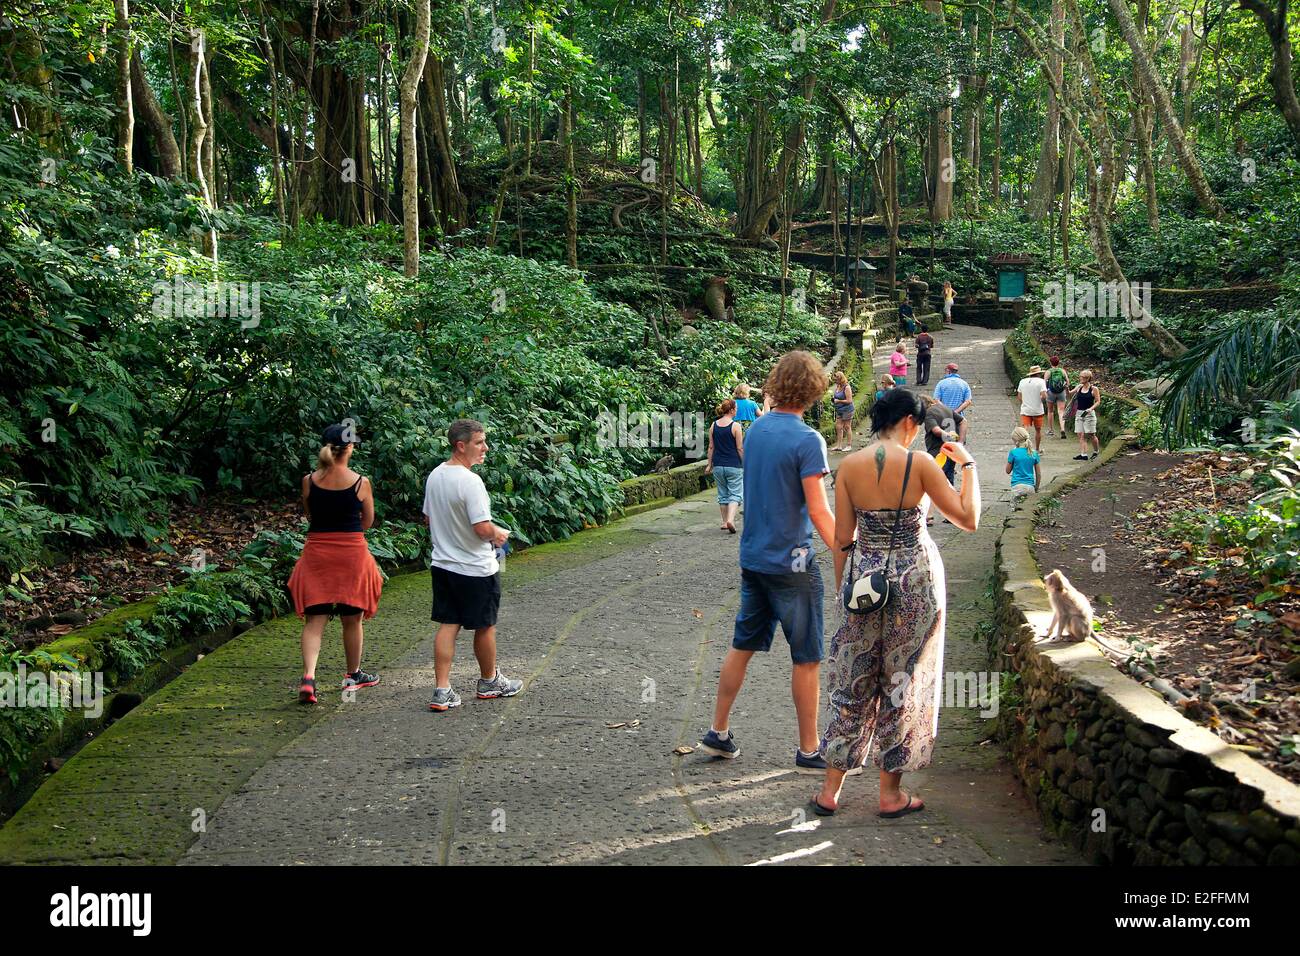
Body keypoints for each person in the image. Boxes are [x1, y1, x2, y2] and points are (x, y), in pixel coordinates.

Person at [812, 389, 980, 817]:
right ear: (909, 420)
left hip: (863, 581)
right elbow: (968, 519)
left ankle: (830, 790)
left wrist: (843, 593)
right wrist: (969, 466)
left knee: (853, 678)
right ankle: (890, 795)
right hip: (915, 580)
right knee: (904, 680)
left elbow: (842, 540)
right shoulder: (921, 464)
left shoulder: (848, 466)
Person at [699, 351, 836, 773]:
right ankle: (809, 748)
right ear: (814, 389)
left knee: (742, 644)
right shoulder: (808, 440)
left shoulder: (756, 430)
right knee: (807, 655)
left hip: (754, 558)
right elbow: (818, 510)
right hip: (793, 563)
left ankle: (718, 731)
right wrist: (846, 551)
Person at [424, 419, 524, 712]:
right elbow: (482, 528)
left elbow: (429, 518)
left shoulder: (435, 476)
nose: (485, 448)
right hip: (476, 569)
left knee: (448, 624)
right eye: (479, 442)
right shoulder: (471, 481)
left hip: (443, 565)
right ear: (461, 445)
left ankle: (442, 690)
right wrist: (499, 534)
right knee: (485, 626)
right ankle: (489, 681)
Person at [288, 423, 384, 705]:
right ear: (350, 448)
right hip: (351, 556)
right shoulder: (360, 483)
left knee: (314, 621)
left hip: (317, 555)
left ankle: (308, 678)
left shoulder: (309, 481)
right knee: (351, 620)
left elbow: (310, 515)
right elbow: (367, 522)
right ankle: (353, 675)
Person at [706, 399, 744, 533]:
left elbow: (711, 447)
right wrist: (744, 463)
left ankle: (723, 522)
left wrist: (709, 465)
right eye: (736, 408)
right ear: (732, 410)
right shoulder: (736, 426)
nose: (737, 410)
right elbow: (739, 448)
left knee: (722, 494)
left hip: (718, 465)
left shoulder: (713, 425)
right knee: (735, 494)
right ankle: (730, 520)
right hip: (734, 465)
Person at [920, 394, 963, 487]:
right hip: (951, 450)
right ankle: (951, 499)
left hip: (938, 453)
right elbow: (963, 421)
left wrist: (947, 435)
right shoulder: (944, 407)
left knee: (936, 482)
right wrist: (960, 442)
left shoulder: (928, 413)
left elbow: (936, 430)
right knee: (949, 480)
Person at [933, 363, 973, 445]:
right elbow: (968, 401)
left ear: (948, 371)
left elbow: (936, 400)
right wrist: (956, 412)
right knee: (959, 445)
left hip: (944, 417)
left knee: (946, 443)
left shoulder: (941, 383)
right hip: (959, 418)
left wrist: (946, 411)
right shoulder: (964, 384)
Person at [1069, 370, 1102, 461]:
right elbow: (1069, 393)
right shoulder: (1079, 387)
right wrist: (1065, 387)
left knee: (1091, 434)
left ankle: (1096, 451)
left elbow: (1098, 401)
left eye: (1082, 377)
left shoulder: (1094, 389)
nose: (1080, 378)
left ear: (1088, 378)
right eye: (1080, 376)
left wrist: (1091, 408)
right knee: (1080, 434)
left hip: (1089, 414)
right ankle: (1083, 454)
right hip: (1079, 413)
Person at [1017, 364, 1049, 452]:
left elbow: (1019, 396)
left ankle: (1023, 449)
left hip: (1025, 409)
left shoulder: (1022, 381)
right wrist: (1038, 399)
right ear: (1039, 374)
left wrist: (1025, 402)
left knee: (1025, 429)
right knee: (1038, 430)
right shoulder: (1041, 381)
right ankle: (1037, 449)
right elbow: (1044, 395)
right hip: (1037, 410)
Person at [1006, 426, 1041, 498]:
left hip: (1017, 486)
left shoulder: (1013, 452)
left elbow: (1008, 471)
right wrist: (1036, 488)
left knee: (1014, 507)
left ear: (1016, 441)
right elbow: (1038, 474)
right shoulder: (1033, 453)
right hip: (1030, 486)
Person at [1044, 356, 1070, 439]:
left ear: (1050, 362)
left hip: (1051, 392)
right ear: (1058, 363)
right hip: (1061, 392)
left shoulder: (1048, 372)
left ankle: (1051, 430)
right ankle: (1062, 429)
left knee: (1050, 411)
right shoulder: (1062, 371)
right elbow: (1067, 382)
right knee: (1061, 411)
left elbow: (1044, 384)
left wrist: (1045, 392)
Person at [831, 370, 855, 452]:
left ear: (840, 379)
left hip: (847, 410)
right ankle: (839, 445)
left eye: (836, 380)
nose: (835, 382)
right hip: (839, 410)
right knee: (838, 427)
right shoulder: (838, 387)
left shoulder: (847, 387)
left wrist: (838, 401)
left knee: (847, 426)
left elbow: (849, 400)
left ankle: (849, 445)